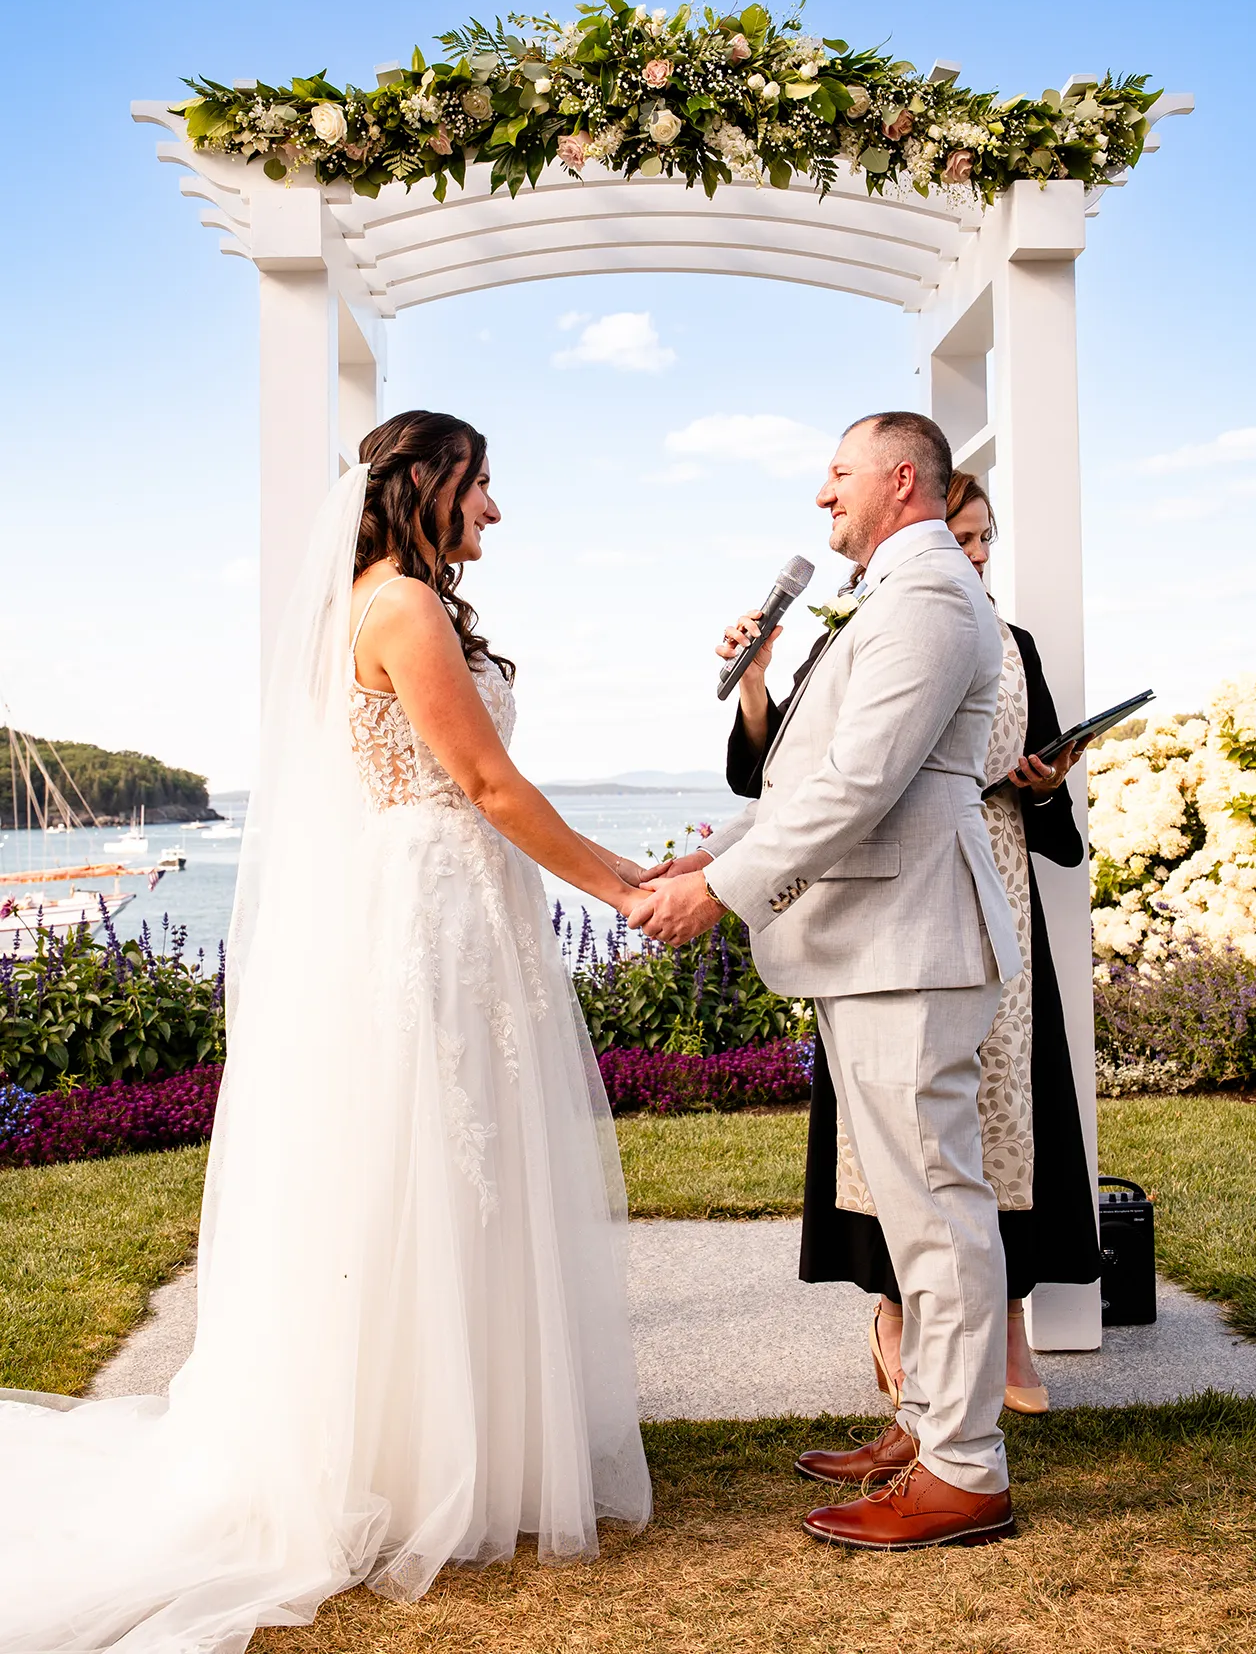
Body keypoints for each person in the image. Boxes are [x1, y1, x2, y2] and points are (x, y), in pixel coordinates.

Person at [0, 411, 651, 1652]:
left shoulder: (398, 600)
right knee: (433, 1157)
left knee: (459, 1160)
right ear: (424, 489)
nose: (493, 513)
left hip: (454, 899)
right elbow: (487, 785)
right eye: (479, 489)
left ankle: (465, 1444)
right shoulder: (399, 607)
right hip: (432, 905)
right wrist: (622, 888)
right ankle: (412, 1462)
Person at [634, 411, 1022, 1553]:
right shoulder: (894, 593)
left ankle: (964, 1468)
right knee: (909, 1202)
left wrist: (724, 891)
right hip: (879, 939)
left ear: (901, 481)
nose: (821, 496)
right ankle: (927, 1423)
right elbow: (825, 775)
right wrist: (723, 849)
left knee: (937, 1206)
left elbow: (860, 784)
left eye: (837, 475)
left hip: (912, 941)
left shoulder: (931, 598)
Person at [719, 471, 1100, 1417]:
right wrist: (759, 682)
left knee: (1003, 1110)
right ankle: (897, 1317)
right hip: (889, 911)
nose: (973, 555)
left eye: (985, 540)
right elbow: (785, 778)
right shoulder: (858, 633)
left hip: (992, 883)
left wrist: (1041, 782)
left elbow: (1052, 808)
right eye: (961, 536)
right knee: (897, 1116)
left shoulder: (1013, 646)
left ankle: (1002, 1320)